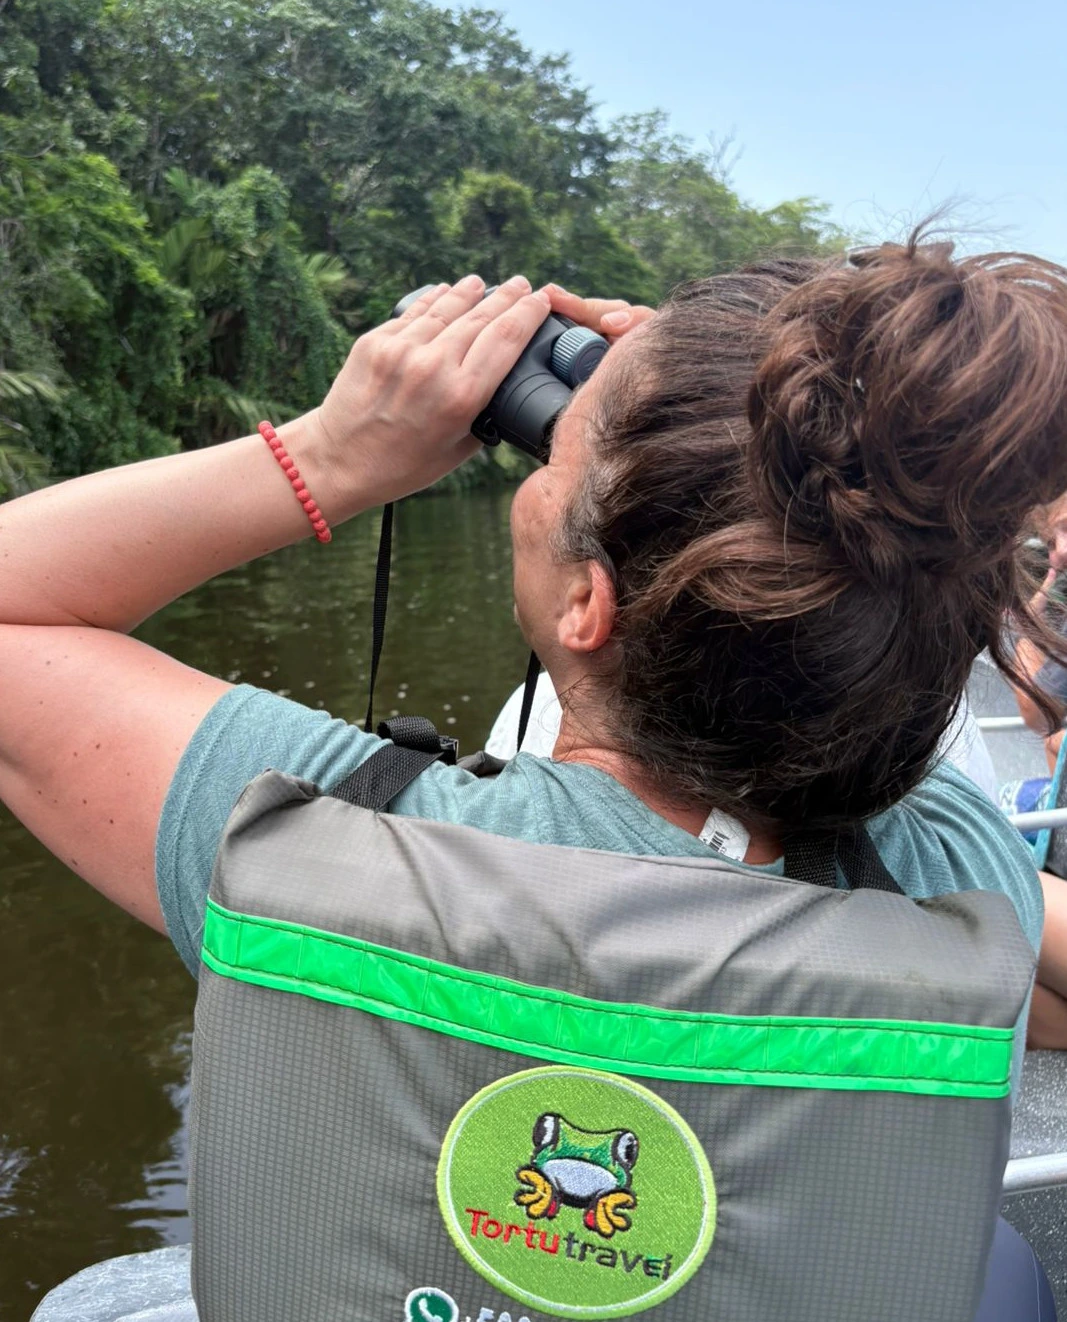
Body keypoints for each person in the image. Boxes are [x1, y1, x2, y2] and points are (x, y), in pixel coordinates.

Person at [6, 240, 1067, 1320]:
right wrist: (719, 415)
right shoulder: (958, 873)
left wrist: (329, 455)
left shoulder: (305, 842)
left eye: (549, 461)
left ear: (584, 604)